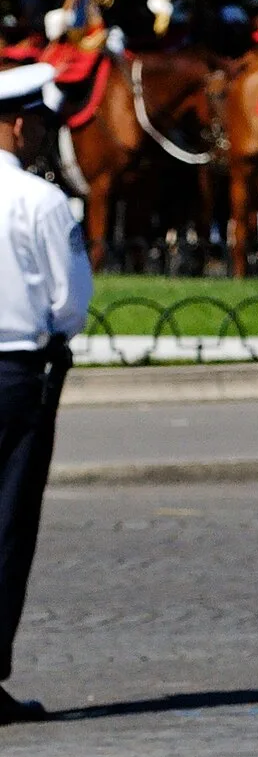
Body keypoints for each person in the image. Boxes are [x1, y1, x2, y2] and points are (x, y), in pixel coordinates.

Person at [0, 63, 91, 723]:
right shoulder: (41, 200)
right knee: (6, 524)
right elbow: (70, 303)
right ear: (19, 123)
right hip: (16, 376)